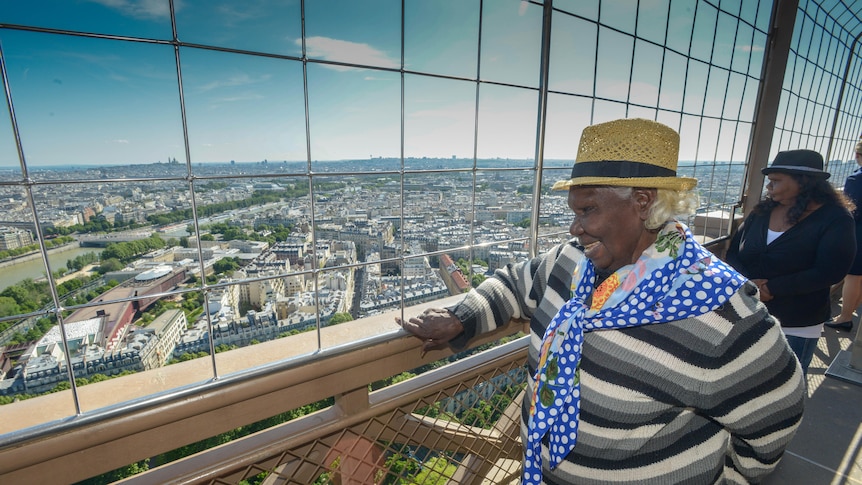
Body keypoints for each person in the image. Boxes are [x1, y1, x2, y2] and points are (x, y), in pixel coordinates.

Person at [397, 118, 805, 485]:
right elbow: (515, 283)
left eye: (588, 210)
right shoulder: (572, 260)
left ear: (642, 202)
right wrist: (461, 315)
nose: (576, 227)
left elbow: (778, 415)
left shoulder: (722, 313)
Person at [725, 149, 856, 375]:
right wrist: (748, 285)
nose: (769, 187)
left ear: (803, 182)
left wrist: (772, 288)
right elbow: (734, 254)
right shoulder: (761, 212)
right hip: (746, 315)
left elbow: (830, 271)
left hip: (797, 323)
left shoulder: (836, 219)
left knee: (783, 392)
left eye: (775, 181)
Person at [826, 139, 862, 331]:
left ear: (857, 155)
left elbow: (852, 210)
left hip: (859, 233)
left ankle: (845, 317)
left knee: (853, 276)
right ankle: (851, 310)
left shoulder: (857, 179)